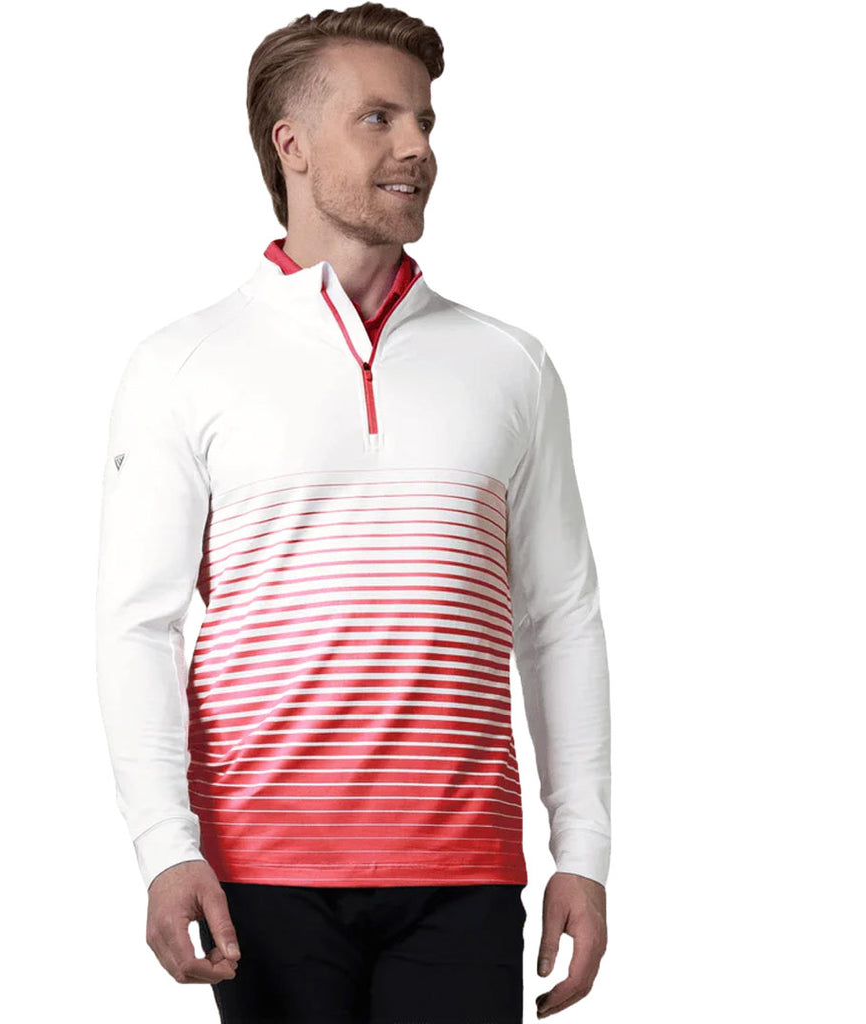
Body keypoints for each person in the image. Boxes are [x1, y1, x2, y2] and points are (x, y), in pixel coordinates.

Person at [94, 3, 611, 1021]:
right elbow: (138, 624)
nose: (418, 146)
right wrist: (165, 845)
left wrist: (582, 851)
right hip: (260, 872)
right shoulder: (182, 364)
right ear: (290, 144)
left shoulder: (510, 364)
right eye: (379, 118)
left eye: (424, 120)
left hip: (464, 874)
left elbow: (561, 616)